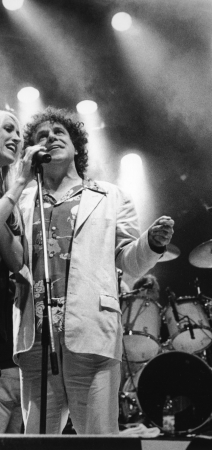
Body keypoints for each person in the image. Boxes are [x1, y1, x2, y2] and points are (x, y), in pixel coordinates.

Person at [12, 106, 174, 435]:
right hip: (37, 336)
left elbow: (129, 261)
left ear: (76, 146)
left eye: (59, 132)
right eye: (42, 136)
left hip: (92, 331)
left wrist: (152, 243)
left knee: (98, 439)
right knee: (36, 442)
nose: (51, 137)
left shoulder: (110, 196)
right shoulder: (23, 200)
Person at [0, 110, 42, 433]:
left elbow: (16, 260)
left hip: (8, 341)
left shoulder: (9, 197)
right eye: (7, 129)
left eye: (18, 132)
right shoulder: (12, 191)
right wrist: (19, 184)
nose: (16, 138)